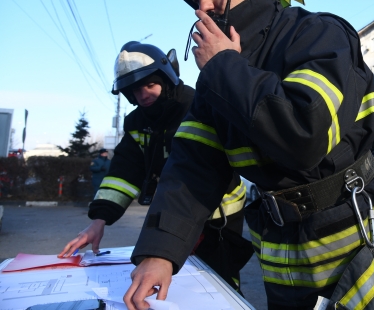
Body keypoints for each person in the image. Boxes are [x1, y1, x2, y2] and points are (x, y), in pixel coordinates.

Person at [124, 0, 374, 310]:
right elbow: (191, 166)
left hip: (350, 244)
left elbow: (304, 135)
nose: (201, 7)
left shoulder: (317, 35)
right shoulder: (219, 76)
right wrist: (160, 251)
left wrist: (222, 68)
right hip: (280, 251)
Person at [59, 42, 250, 292]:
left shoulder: (196, 106)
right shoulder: (137, 122)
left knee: (218, 279)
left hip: (218, 214)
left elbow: (201, 170)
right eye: (135, 90)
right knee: (174, 279)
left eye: (149, 85)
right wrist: (99, 220)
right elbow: (124, 172)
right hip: (174, 210)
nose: (143, 95)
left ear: (167, 79)